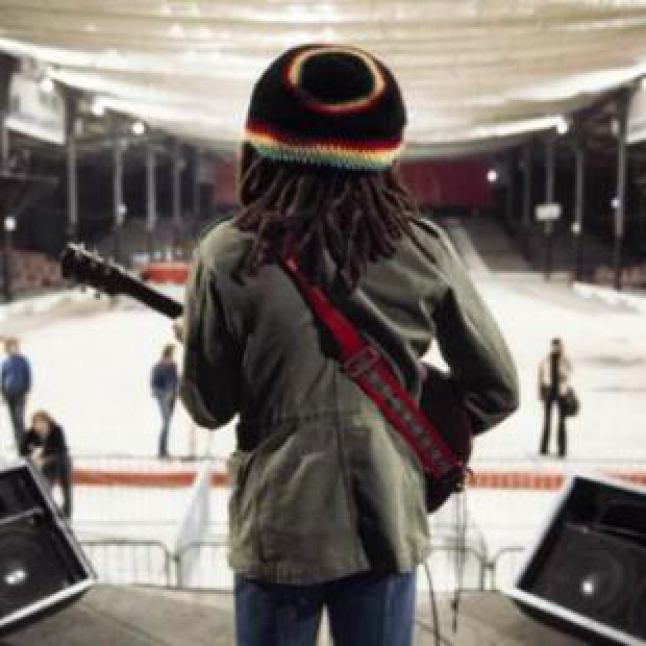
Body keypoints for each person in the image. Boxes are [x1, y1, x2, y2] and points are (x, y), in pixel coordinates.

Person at [178, 45, 519, 646]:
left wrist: (199, 341)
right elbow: (497, 390)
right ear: (385, 155)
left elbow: (210, 407)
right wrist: (408, 430)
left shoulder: (226, 254)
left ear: (261, 146)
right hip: (387, 520)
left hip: (279, 527)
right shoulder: (424, 248)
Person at [20, 410, 73, 519]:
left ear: (48, 422)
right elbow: (23, 450)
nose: (40, 426)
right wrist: (32, 452)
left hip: (61, 462)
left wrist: (44, 457)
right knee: (45, 488)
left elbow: (60, 449)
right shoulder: (30, 433)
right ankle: (52, 512)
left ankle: (67, 515)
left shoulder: (57, 430)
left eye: (42, 422)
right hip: (45, 467)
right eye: (37, 423)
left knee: (66, 489)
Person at [538, 338, 572, 458]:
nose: (556, 348)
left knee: (562, 421)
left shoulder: (565, 359)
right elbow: (541, 376)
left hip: (562, 393)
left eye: (558, 346)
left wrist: (564, 373)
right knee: (547, 421)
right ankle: (543, 448)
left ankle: (562, 449)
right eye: (555, 346)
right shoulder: (546, 359)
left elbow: (569, 372)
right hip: (549, 392)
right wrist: (540, 392)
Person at [1, 337, 32, 451]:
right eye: (10, 347)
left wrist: (27, 391)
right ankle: (17, 441)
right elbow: (2, 378)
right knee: (13, 419)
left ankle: (24, 442)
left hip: (20, 393)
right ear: (7, 349)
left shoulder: (23, 360)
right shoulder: (5, 362)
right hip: (8, 394)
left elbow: (28, 376)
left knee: (19, 418)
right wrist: (2, 394)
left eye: (15, 346)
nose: (13, 348)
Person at [151, 344, 179, 459]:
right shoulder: (158, 366)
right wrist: (165, 394)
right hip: (163, 398)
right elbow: (154, 385)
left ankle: (164, 450)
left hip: (172, 398)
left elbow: (176, 381)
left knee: (168, 423)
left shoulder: (173, 366)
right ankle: (161, 451)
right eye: (172, 353)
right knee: (166, 423)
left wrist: (175, 392)